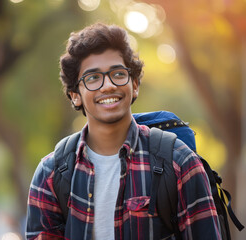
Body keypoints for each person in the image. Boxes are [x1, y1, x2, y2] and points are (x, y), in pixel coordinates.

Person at [25, 23, 221, 240]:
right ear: (75, 95)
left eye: (118, 74)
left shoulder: (179, 162)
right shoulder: (51, 174)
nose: (107, 85)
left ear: (134, 84)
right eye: (92, 78)